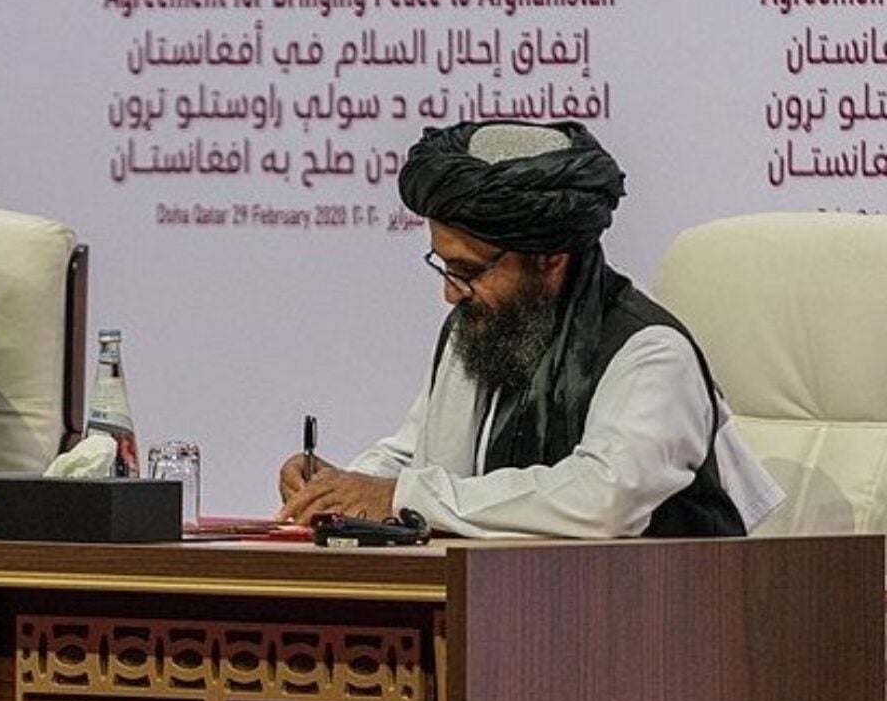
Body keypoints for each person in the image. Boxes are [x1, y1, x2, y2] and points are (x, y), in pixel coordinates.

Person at [277, 121, 782, 537]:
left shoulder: (649, 352)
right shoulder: (481, 328)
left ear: (550, 258)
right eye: (445, 267)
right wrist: (338, 487)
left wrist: (400, 496)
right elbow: (422, 456)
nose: (451, 293)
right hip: (507, 604)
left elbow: (602, 499)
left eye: (469, 271)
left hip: (654, 612)